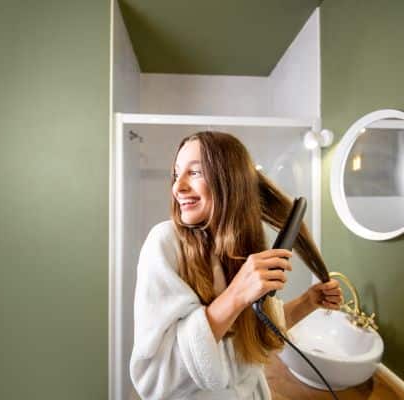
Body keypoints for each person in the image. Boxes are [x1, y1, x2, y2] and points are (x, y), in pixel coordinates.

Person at [130, 131, 342, 399]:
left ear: (230, 181)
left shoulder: (244, 249)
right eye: (176, 174)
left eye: (194, 173)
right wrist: (236, 295)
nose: (177, 187)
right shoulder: (165, 243)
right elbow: (155, 378)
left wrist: (309, 302)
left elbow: (253, 338)